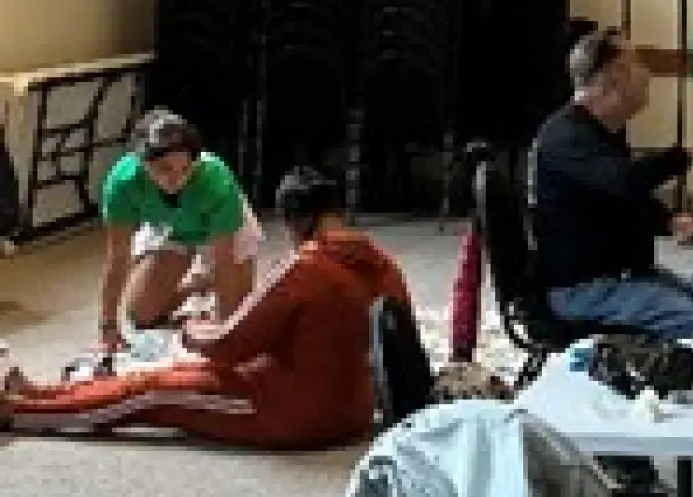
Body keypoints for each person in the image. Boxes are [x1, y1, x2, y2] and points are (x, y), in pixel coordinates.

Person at [4, 168, 410, 449]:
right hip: (350, 409)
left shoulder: (306, 267)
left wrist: (192, 330)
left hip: (293, 414)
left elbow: (230, 344)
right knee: (172, 375)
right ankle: (43, 394)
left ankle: (20, 413)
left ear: (293, 222)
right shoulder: (385, 264)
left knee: (150, 392)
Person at [531, 28, 693, 339]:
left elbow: (623, 194)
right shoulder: (565, 137)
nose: (647, 74)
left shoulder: (602, 131)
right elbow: (624, 181)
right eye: (637, 63)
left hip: (624, 277)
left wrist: (669, 222)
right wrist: (691, 153)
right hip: (588, 291)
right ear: (614, 78)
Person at [95, 109, 260, 349]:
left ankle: (211, 282)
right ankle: (199, 283)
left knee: (239, 314)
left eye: (185, 169)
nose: (177, 180)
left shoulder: (216, 181)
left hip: (219, 231)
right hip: (169, 227)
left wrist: (225, 330)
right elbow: (117, 256)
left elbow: (223, 259)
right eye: (164, 169)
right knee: (141, 314)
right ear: (142, 162)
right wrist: (107, 325)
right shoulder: (122, 183)